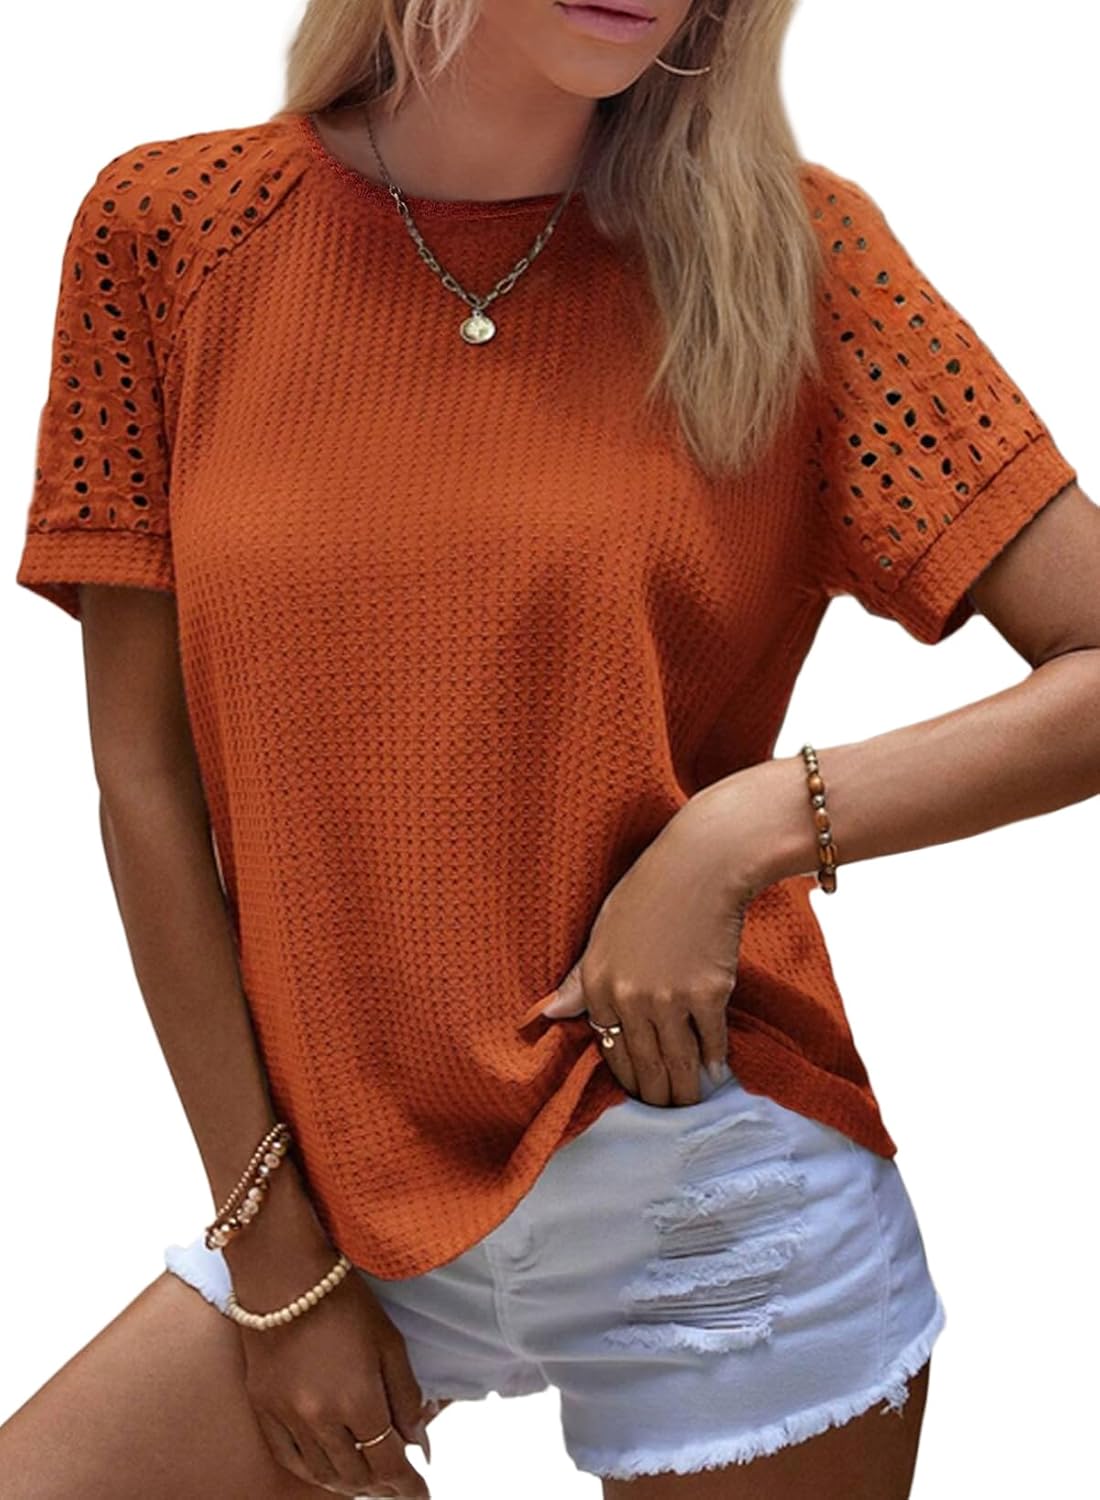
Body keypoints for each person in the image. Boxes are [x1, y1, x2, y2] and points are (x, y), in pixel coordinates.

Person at [3, 2, 1098, 1497]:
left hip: (717, 1188)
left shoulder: (797, 256)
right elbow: (144, 779)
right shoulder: (174, 231)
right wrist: (273, 1259)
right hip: (334, 1197)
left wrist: (743, 833)